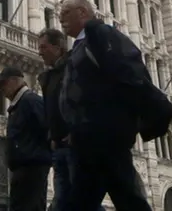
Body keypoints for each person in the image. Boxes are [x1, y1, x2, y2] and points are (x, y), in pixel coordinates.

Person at [58, 0, 154, 211]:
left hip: (105, 135)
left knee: (126, 196)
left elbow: (129, 78)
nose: (60, 18)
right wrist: (75, 127)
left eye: (65, 13)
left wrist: (118, 123)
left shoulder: (102, 35)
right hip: (87, 137)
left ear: (82, 12)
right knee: (84, 201)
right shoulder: (81, 45)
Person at [37, 28, 105, 211]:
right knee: (64, 200)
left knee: (82, 200)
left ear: (57, 47)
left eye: (43, 47)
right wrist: (52, 136)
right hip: (59, 146)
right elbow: (50, 109)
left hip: (75, 145)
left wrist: (76, 131)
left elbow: (84, 100)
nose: (39, 51)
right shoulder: (47, 77)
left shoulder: (73, 66)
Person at [0, 66, 51, 211]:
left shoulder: (30, 101)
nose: (1, 90)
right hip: (23, 169)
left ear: (15, 81)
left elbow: (49, 128)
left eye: (3, 84)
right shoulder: (19, 105)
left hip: (32, 168)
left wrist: (39, 155)